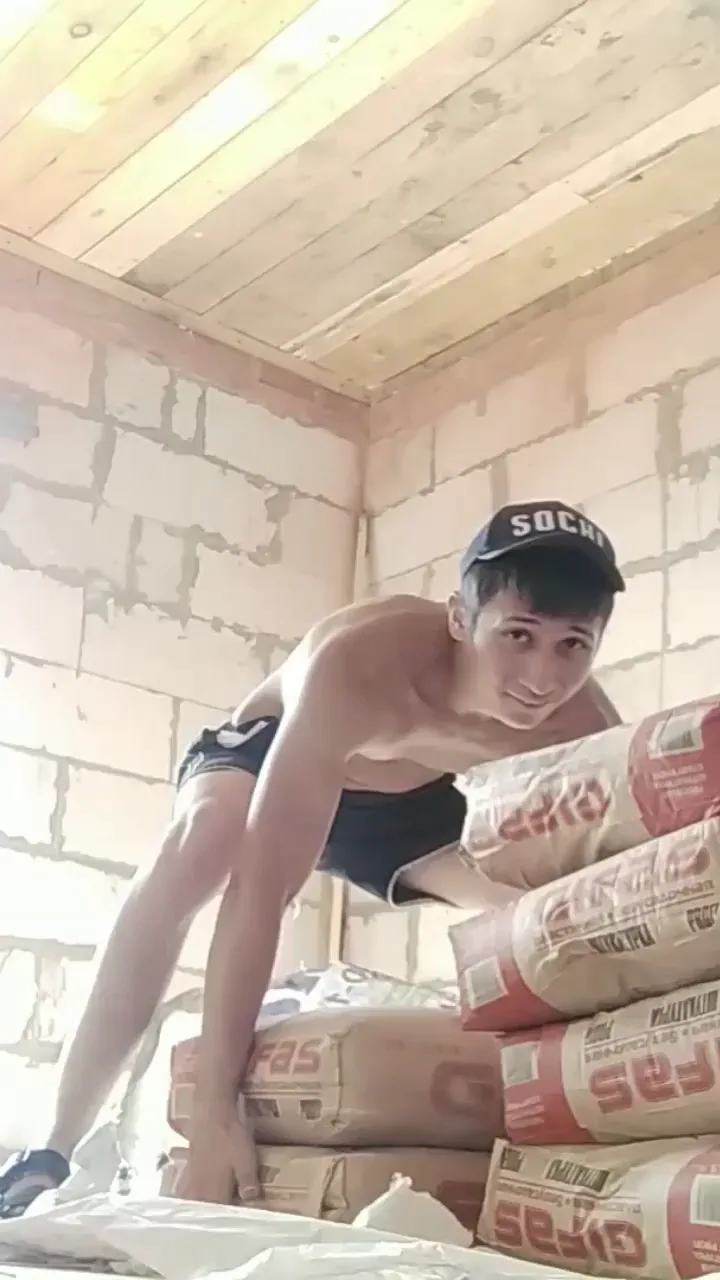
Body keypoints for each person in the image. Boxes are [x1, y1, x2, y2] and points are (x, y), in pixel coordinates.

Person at [0, 499, 625, 1217]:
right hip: (271, 756)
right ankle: (48, 1151)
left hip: (404, 808)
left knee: (540, 913)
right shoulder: (362, 664)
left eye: (573, 645)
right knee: (208, 840)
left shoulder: (584, 728)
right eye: (517, 635)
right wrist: (214, 1113)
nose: (542, 676)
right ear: (460, 618)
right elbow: (262, 891)